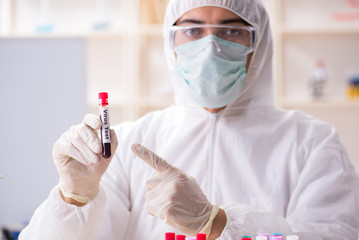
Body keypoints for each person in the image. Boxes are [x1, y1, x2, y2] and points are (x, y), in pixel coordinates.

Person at [19, 0, 359, 239]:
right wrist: (76, 197)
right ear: (172, 44)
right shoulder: (132, 141)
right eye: (194, 31)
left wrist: (220, 223)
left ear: (259, 44)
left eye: (231, 32)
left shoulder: (311, 142)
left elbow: (337, 235)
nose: (211, 48)